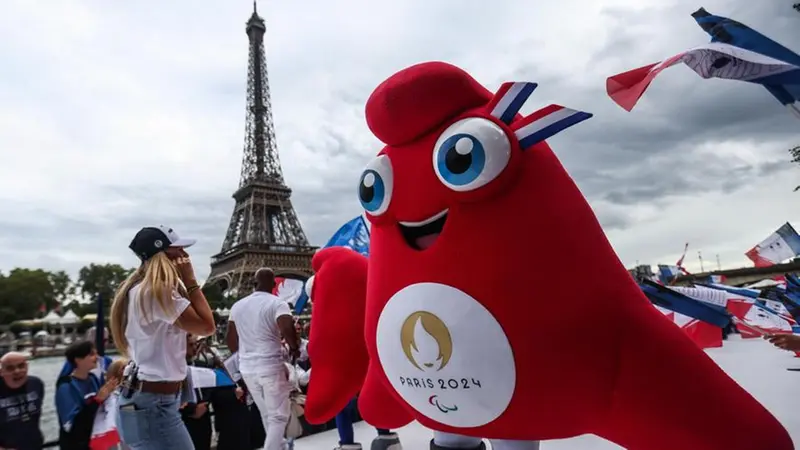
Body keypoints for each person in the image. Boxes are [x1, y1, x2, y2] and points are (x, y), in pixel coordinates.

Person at [109, 225, 216, 450]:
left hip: (145, 397)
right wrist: (191, 280)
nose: (185, 256)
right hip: (154, 404)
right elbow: (207, 326)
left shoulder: (137, 289)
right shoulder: (159, 292)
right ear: (164, 255)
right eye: (179, 251)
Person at [227, 267, 300, 450]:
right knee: (279, 416)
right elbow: (287, 330)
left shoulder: (238, 306)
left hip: (247, 367)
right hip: (270, 364)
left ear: (254, 283)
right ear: (274, 283)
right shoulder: (277, 303)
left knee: (266, 413)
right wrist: (294, 348)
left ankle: (280, 445)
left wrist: (246, 352)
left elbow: (231, 340)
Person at [56, 341, 119, 450]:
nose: (97, 357)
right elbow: (72, 426)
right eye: (91, 354)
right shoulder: (66, 386)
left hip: (96, 442)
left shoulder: (93, 379)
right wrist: (97, 400)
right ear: (78, 359)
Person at [0, 351, 44, 450]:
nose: (17, 371)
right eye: (10, 368)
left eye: (21, 366)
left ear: (27, 367)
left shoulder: (36, 384)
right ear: (1, 371)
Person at [180, 334, 212, 450]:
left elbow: (209, 389)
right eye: (190, 345)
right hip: (184, 419)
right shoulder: (174, 370)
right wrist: (192, 410)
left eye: (196, 344)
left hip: (203, 417)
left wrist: (205, 404)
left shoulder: (203, 366)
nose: (195, 348)